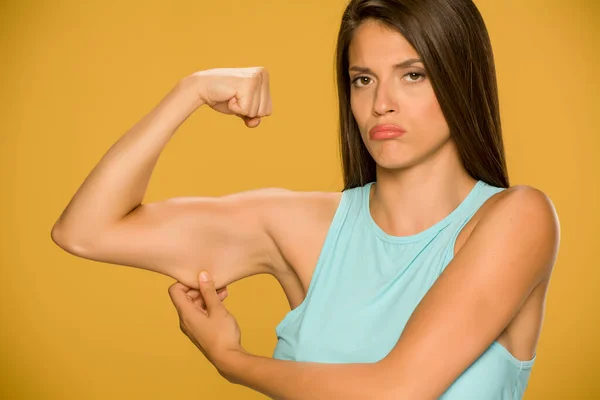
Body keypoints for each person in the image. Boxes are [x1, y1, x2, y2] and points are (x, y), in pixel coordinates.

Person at [51, 0, 560, 398]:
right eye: (363, 80)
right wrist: (192, 91)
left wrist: (235, 363)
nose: (381, 103)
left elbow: (399, 390)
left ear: (459, 78)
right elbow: (86, 231)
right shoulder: (302, 227)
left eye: (413, 74)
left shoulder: (516, 219)